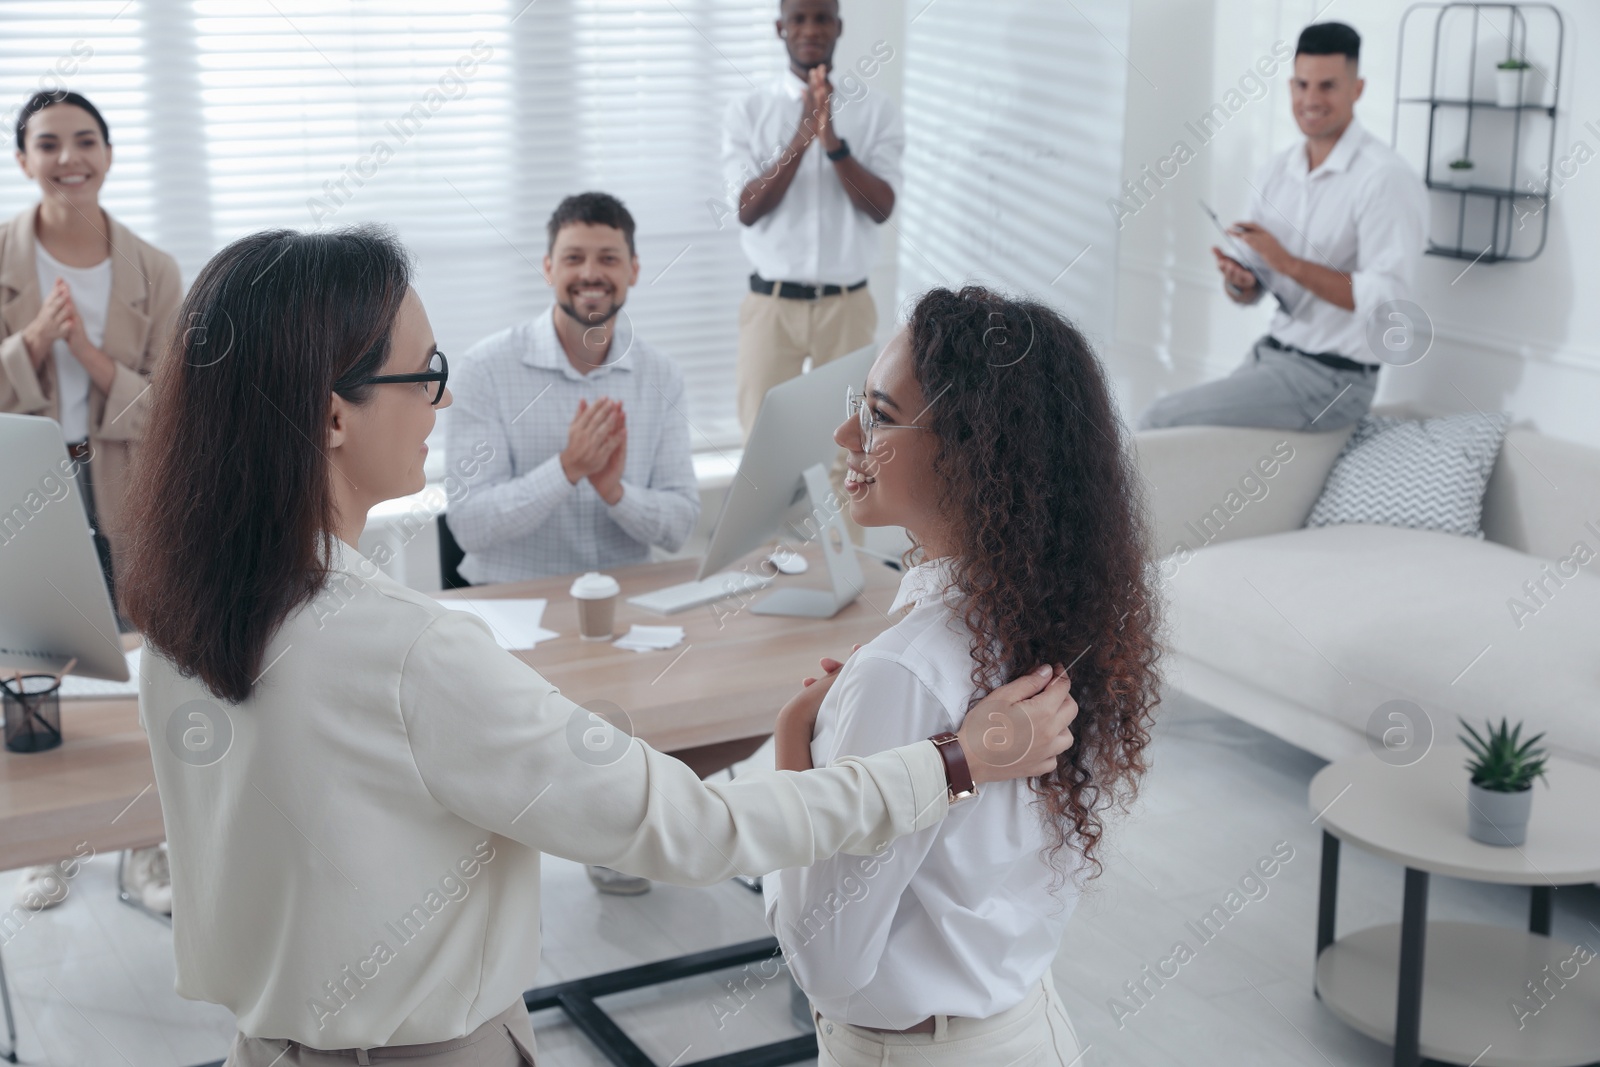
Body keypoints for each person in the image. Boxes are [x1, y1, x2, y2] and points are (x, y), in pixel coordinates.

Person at [118, 226, 1079, 1066]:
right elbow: (694, 830)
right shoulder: (406, 652)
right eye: (426, 376)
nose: (441, 404)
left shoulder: (175, 621)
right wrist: (956, 760)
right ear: (333, 415)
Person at [768, 287, 1162, 1066]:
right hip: (1031, 1032)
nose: (847, 432)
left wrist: (793, 740)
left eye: (879, 415)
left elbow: (825, 963)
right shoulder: (1058, 618)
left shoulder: (904, 671)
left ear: (974, 448)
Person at [0, 90, 182, 916]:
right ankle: (49, 850)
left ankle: (145, 851)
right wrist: (32, 345)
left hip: (128, 487)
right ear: (23, 159)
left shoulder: (153, 268)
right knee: (39, 666)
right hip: (26, 484)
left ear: (108, 153)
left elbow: (177, 405)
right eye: (48, 143)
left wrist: (88, 356)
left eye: (85, 140)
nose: (68, 156)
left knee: (145, 668)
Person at [1138, 22, 1426, 433]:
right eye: (1301, 84)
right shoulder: (1277, 170)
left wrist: (1287, 263)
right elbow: (1249, 293)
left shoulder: (1385, 179)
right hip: (1270, 358)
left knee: (1159, 421)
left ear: (1357, 89)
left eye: (1327, 86)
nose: (1310, 99)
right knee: (1191, 445)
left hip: (1333, 381)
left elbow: (1388, 303)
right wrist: (1242, 281)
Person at [446, 192, 699, 586]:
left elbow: (680, 526)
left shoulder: (662, 376)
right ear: (548, 268)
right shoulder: (485, 369)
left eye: (609, 259)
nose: (590, 274)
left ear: (633, 270)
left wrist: (616, 492)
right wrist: (567, 469)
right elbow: (469, 524)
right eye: (573, 258)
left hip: (626, 599)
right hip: (513, 604)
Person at [722, 0, 901, 532]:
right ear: (780, 27)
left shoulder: (876, 108)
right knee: (762, 448)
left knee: (854, 449)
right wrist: (803, 133)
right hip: (770, 307)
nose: (809, 30)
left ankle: (854, 586)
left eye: (821, 18)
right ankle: (764, 578)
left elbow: (879, 208)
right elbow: (749, 208)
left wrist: (832, 142)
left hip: (846, 307)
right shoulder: (748, 110)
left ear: (838, 27)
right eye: (798, 19)